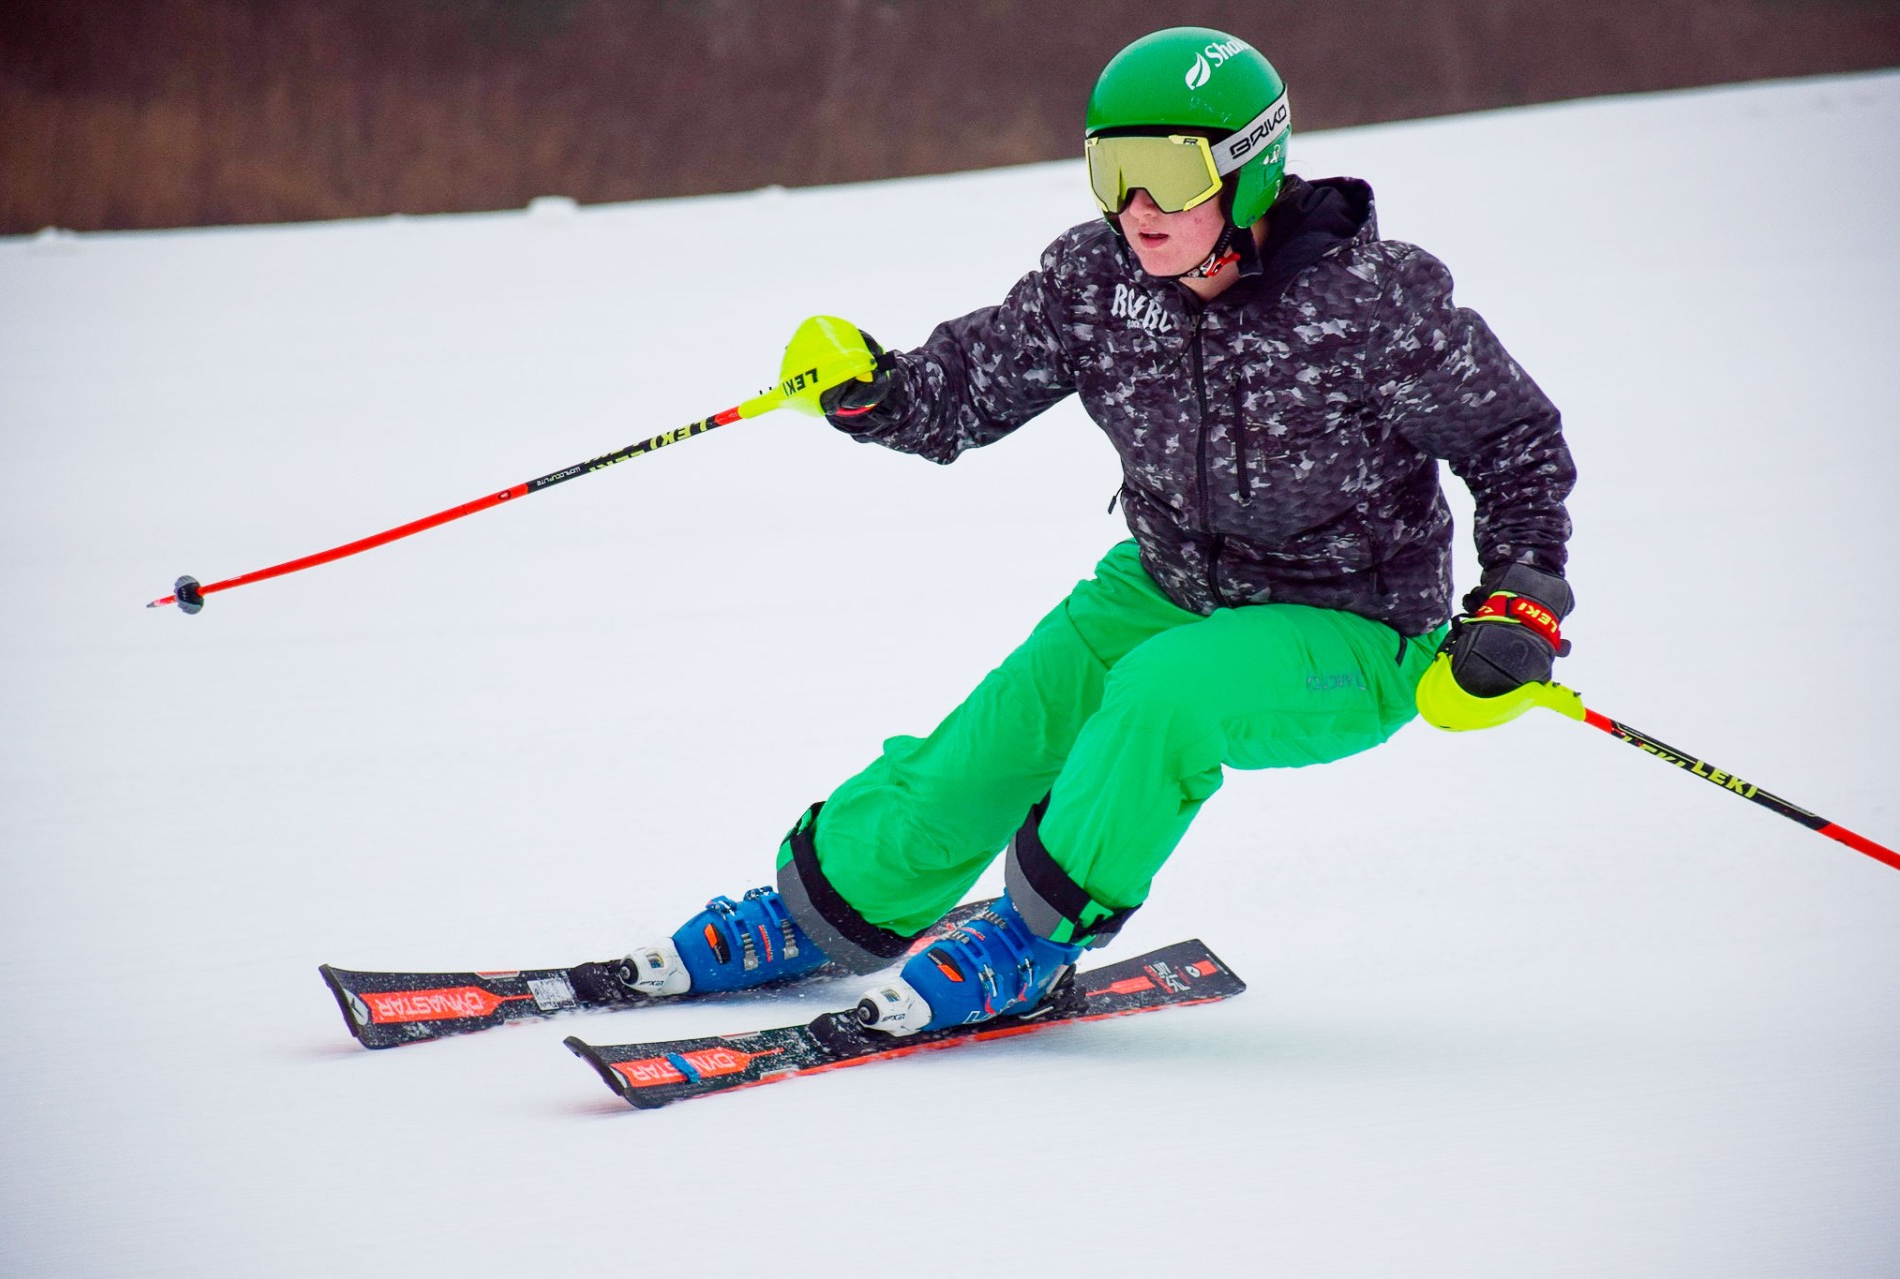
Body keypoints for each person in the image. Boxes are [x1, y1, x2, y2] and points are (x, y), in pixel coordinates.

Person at [616, 26, 1577, 1036]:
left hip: (1354, 624)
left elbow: (1513, 441)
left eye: (1169, 172)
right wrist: (878, 391)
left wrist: (1520, 601)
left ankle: (1036, 942)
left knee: (1165, 695)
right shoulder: (1097, 283)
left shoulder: (1373, 303)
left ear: (1250, 169)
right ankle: (830, 912)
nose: (1137, 207)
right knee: (1004, 731)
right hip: (1167, 583)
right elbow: (966, 389)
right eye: (1113, 172)